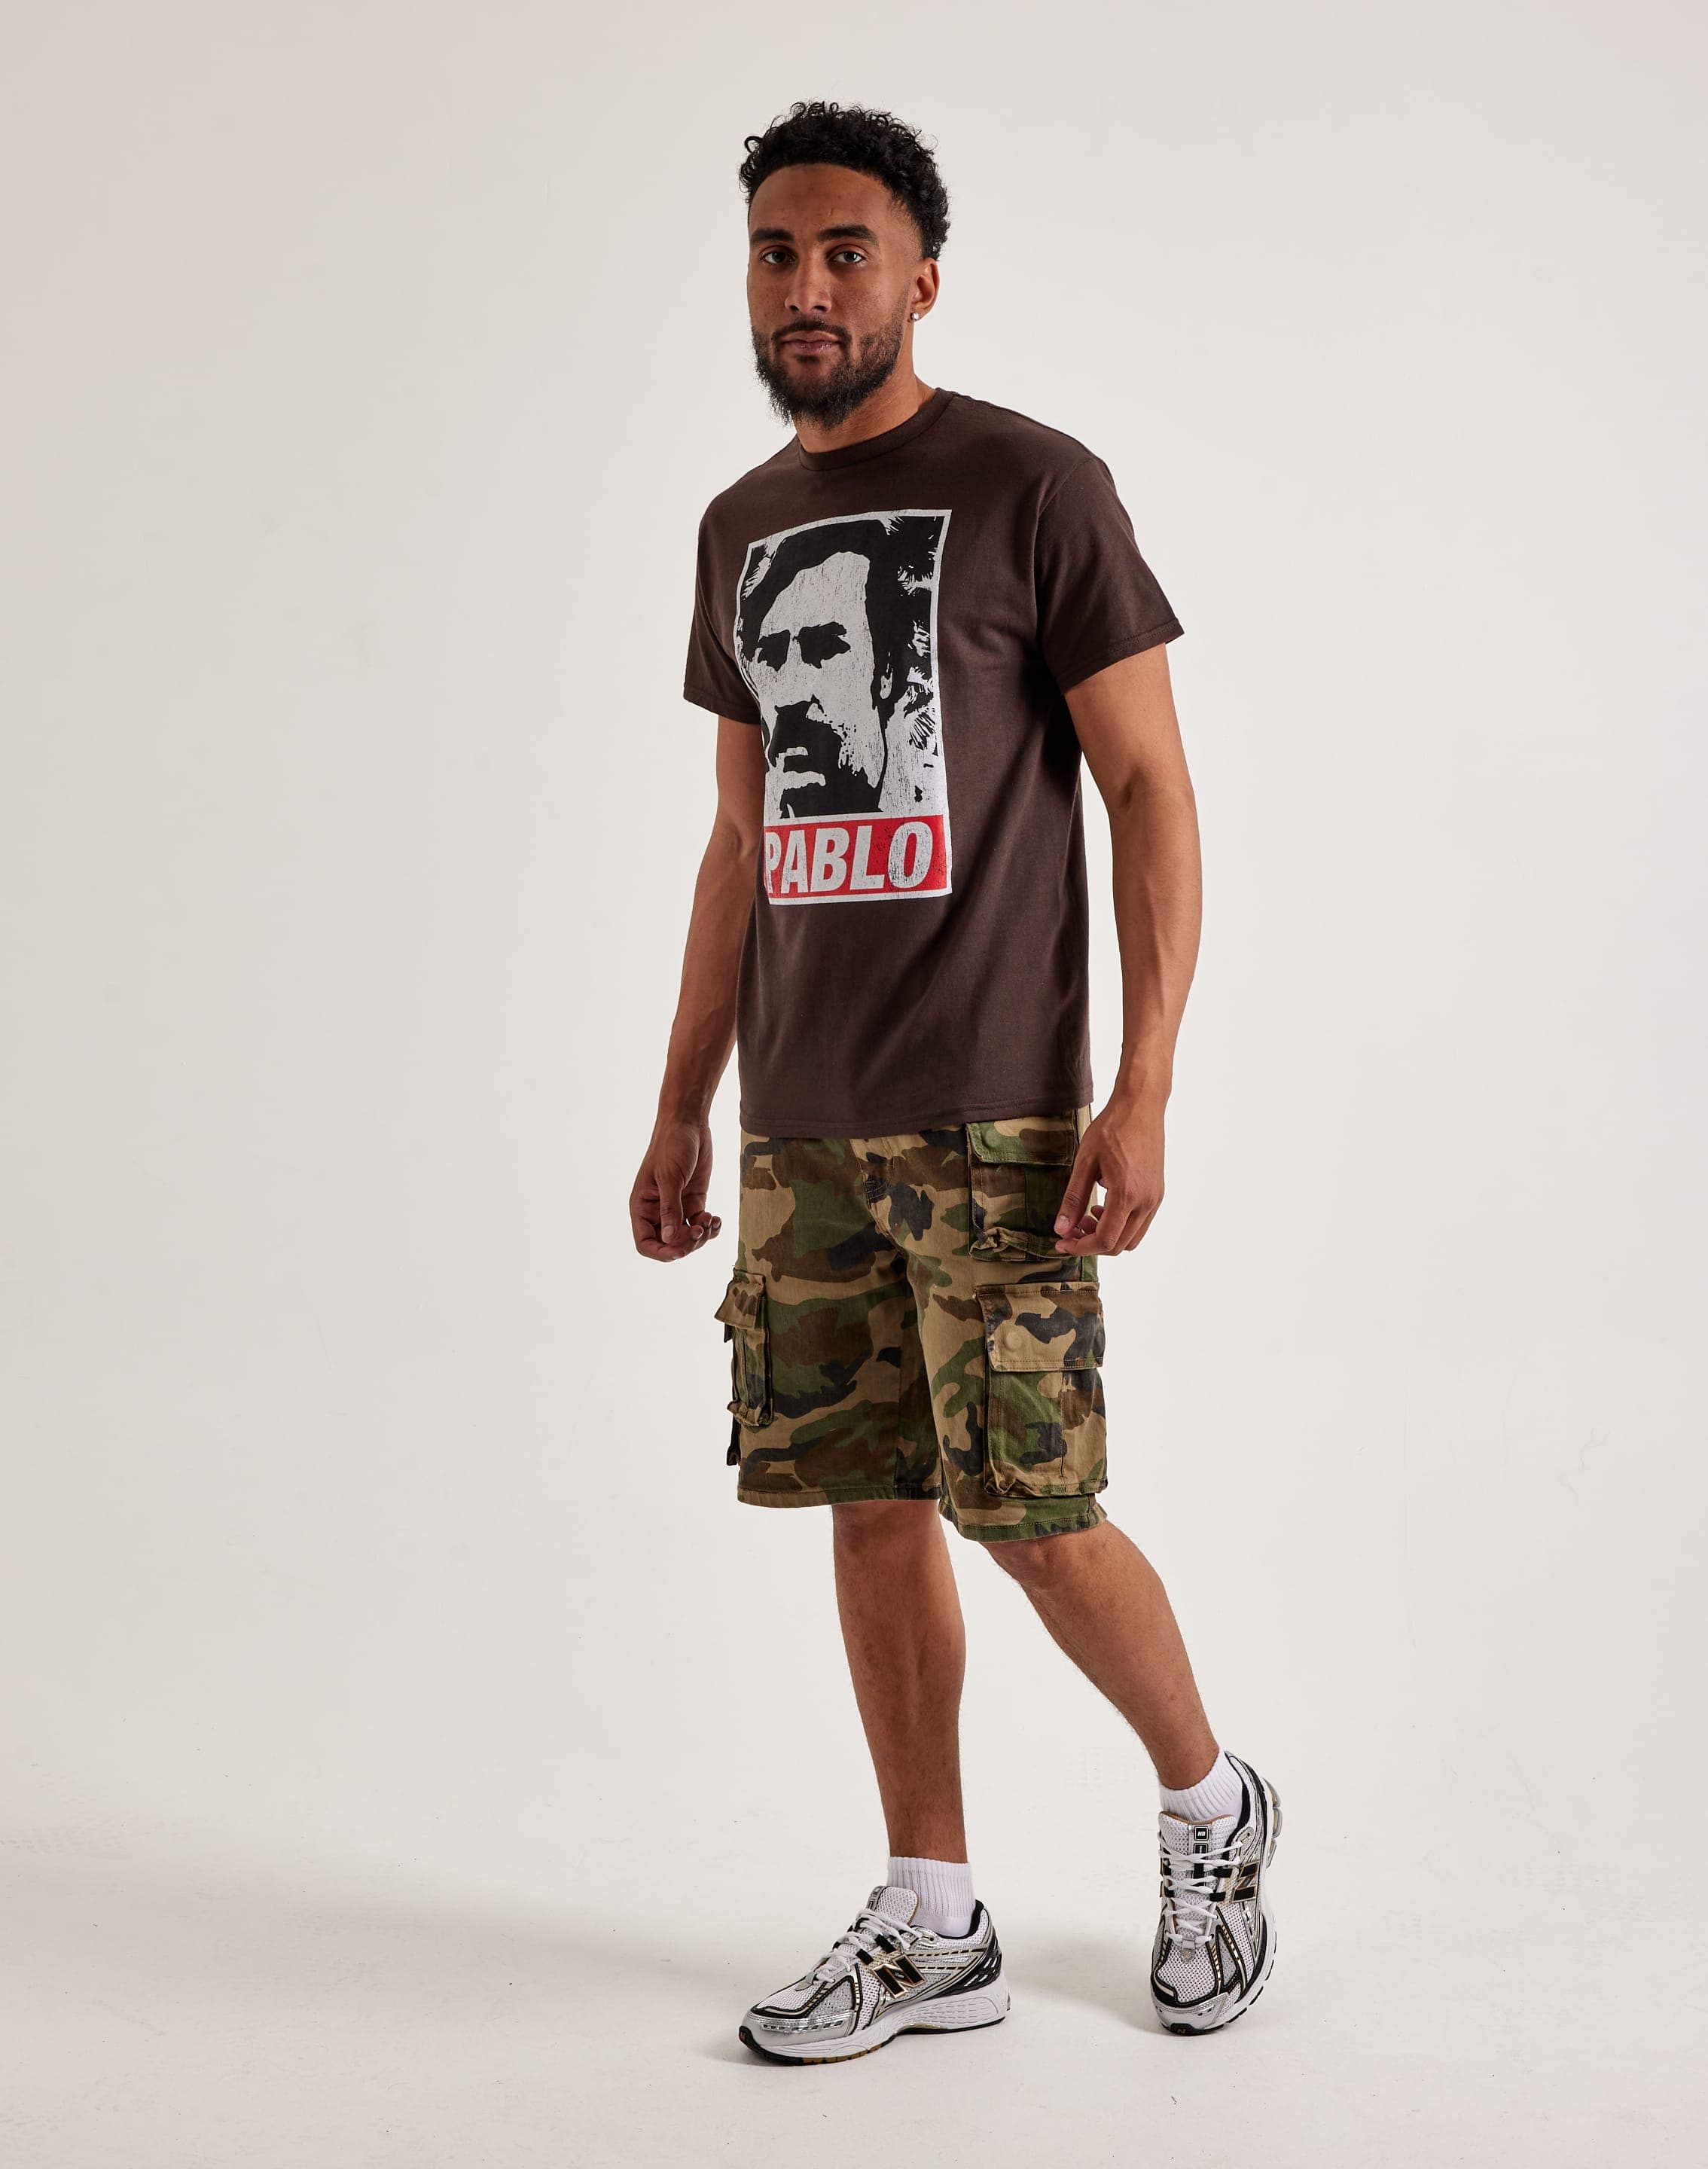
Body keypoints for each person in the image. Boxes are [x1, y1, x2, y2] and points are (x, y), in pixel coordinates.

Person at [629, 99, 1281, 2062]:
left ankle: (1209, 1807)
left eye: (847, 251)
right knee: (868, 1505)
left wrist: (1142, 1083)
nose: (807, 286)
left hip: (997, 1110)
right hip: (803, 1116)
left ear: (922, 278)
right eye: (776, 251)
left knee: (1034, 1509)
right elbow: (739, 839)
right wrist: (681, 1099)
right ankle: (934, 1916)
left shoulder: (1032, 486)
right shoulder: (737, 527)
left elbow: (1151, 788)